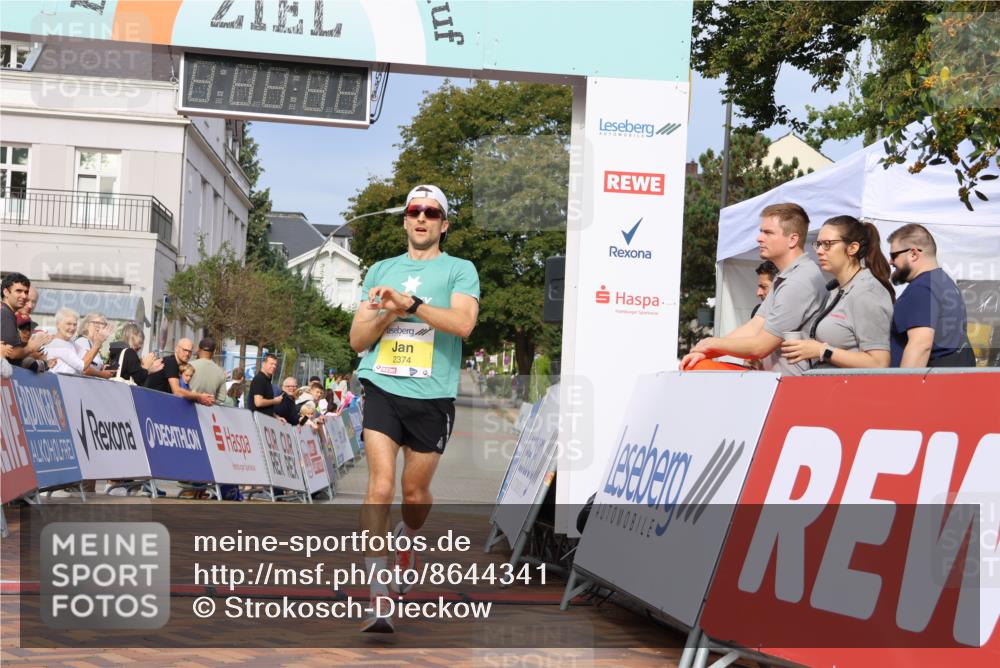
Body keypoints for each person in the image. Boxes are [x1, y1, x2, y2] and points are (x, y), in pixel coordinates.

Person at [349, 184, 480, 633]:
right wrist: (387, 312)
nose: (421, 218)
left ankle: (408, 538)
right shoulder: (381, 269)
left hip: (432, 396)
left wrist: (413, 305)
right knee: (379, 487)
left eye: (431, 212)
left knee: (414, 494)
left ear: (443, 224)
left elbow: (463, 324)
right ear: (405, 220)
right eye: (414, 211)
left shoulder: (459, 270)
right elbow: (357, 340)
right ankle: (378, 594)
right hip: (383, 385)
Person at [681, 203, 826, 375]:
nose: (759, 238)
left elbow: (760, 347)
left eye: (768, 232)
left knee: (698, 368)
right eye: (761, 231)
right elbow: (753, 327)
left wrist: (712, 345)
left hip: (791, 386)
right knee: (697, 364)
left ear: (792, 239)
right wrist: (705, 350)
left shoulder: (799, 280)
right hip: (773, 381)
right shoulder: (788, 275)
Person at [780, 216, 894, 369]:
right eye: (818, 244)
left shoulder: (867, 292)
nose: (819, 251)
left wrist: (822, 350)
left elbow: (879, 363)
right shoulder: (838, 289)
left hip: (853, 390)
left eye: (827, 244)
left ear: (853, 248)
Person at [887, 223, 974, 367]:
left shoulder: (922, 288)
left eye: (893, 255)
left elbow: (921, 345)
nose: (891, 261)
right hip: (949, 379)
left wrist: (903, 387)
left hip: (930, 383)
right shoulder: (944, 282)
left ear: (913, 254)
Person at [2, 273, 52, 370]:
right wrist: (30, 349)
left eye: (34, 302)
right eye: (19, 291)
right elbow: (12, 353)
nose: (30, 305)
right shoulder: (5, 313)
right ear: (6, 292)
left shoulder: (11, 314)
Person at [144, 338, 214, 405]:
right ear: (177, 349)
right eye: (185, 350)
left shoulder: (176, 364)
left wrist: (198, 398)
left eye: (190, 351)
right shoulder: (171, 362)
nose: (187, 354)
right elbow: (177, 391)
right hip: (151, 403)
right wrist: (199, 396)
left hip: (156, 403)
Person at [44, 308, 107, 375]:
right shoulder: (58, 345)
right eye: (68, 324)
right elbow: (82, 366)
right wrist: (98, 343)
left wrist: (101, 367)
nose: (72, 328)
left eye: (75, 324)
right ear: (58, 325)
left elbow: (87, 356)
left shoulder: (70, 343)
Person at [188, 337, 227, 405]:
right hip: (207, 411)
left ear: (198, 349)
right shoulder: (221, 372)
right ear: (214, 352)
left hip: (188, 407)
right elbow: (221, 399)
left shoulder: (188, 366)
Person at [75, 312, 114, 379]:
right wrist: (102, 374)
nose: (100, 326)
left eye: (103, 324)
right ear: (86, 326)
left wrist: (102, 368)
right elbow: (83, 369)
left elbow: (93, 366)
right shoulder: (82, 341)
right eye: (96, 323)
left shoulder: (92, 344)